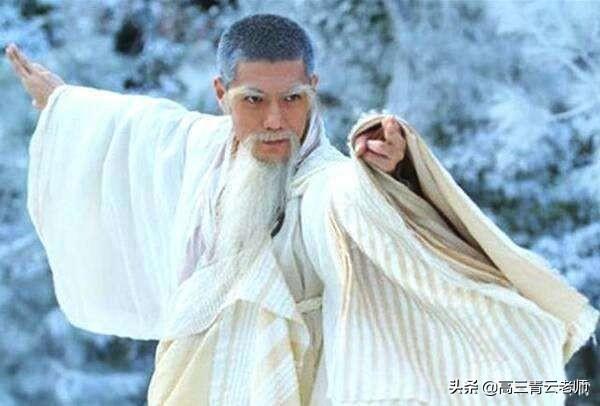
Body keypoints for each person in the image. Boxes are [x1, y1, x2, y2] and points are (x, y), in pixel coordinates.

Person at [7, 13, 598, 406]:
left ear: (313, 86)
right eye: (253, 100)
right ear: (221, 94)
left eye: (293, 98)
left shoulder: (329, 183)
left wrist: (390, 168)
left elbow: (351, 198)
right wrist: (62, 102)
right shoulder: (197, 146)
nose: (275, 120)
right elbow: (130, 127)